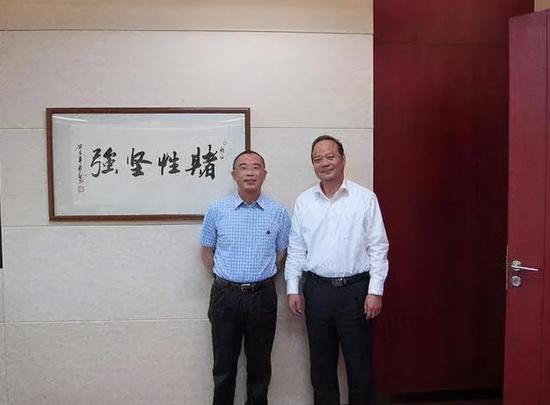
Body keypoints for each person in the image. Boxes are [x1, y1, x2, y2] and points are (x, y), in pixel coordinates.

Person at [285, 135, 389, 405]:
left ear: (343, 159)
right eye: (317, 159)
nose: (324, 163)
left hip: (356, 292)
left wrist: (375, 291)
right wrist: (293, 288)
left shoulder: (364, 198)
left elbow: (378, 246)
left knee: (360, 368)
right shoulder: (304, 201)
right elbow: (296, 248)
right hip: (317, 292)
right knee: (321, 370)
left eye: (330, 157)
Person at [200, 150, 291, 405]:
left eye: (256, 167)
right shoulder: (217, 210)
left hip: (262, 297)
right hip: (225, 296)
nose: (250, 172)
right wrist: (227, 279)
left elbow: (281, 253)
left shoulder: (278, 212)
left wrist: (260, 276)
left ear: (264, 174)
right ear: (234, 174)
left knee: (260, 367)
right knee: (223, 368)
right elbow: (207, 252)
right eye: (243, 167)